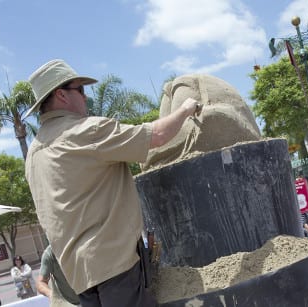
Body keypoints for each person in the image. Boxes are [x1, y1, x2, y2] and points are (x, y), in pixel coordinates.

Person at [24, 59, 201, 307]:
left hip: (78, 275)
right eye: (81, 90)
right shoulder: (83, 131)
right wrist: (186, 109)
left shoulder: (34, 155)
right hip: (112, 265)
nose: (86, 98)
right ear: (61, 95)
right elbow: (157, 135)